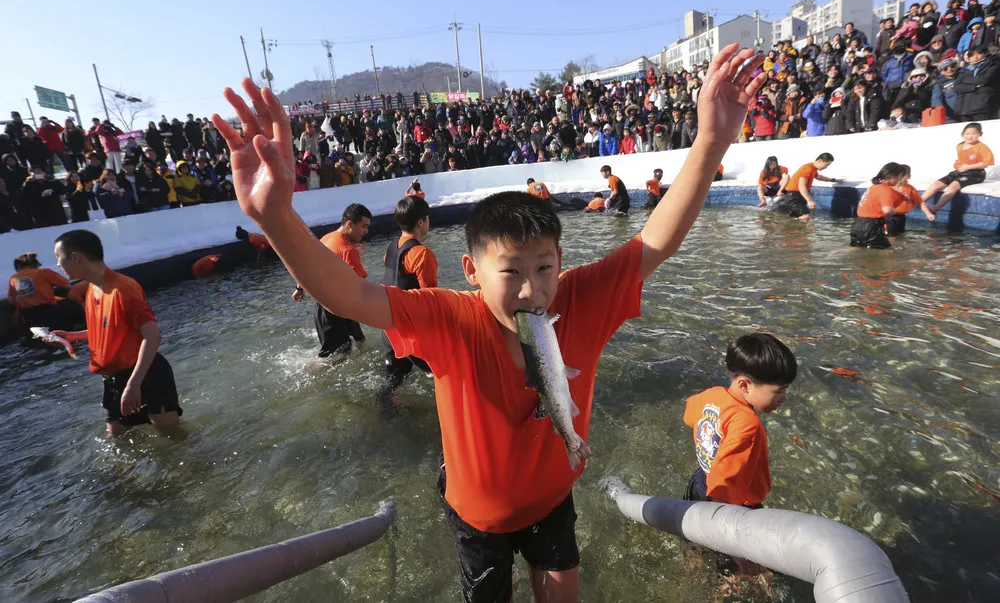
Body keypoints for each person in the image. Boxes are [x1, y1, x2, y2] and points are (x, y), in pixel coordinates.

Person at [212, 43, 767, 602]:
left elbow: (656, 240)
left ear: (561, 261)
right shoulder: (449, 316)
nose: (533, 288)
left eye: (545, 267)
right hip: (476, 518)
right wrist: (275, 216)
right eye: (512, 272)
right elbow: (349, 295)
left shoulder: (580, 300)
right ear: (472, 271)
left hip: (553, 502)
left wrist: (710, 141)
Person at [682, 333, 797, 575]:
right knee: (752, 572)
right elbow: (723, 493)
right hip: (733, 502)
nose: (784, 398)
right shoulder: (748, 425)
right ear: (745, 384)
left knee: (697, 550)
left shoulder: (711, 395)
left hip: (700, 481)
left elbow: (689, 414)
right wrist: (737, 550)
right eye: (779, 391)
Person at [50, 230, 182, 437]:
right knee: (118, 437)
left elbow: (152, 335)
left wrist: (134, 383)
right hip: (113, 376)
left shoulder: (123, 289)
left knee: (172, 436)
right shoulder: (93, 288)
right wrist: (72, 336)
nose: (58, 264)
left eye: (58, 257)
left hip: (144, 373)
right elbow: (106, 328)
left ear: (76, 257)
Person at [291, 204, 371, 358]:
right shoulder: (348, 251)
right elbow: (361, 286)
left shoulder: (326, 238)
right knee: (335, 358)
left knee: (357, 342)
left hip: (329, 307)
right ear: (349, 224)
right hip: (333, 311)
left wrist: (299, 288)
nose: (366, 231)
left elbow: (308, 264)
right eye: (363, 226)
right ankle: (312, 377)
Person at [380, 196, 436, 400]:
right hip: (411, 332)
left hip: (388, 329)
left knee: (394, 380)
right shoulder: (422, 254)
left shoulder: (391, 247)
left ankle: (387, 406)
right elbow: (430, 297)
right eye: (428, 219)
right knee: (441, 374)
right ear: (421, 222)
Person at [922, 123, 994, 214]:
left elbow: (986, 163)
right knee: (937, 184)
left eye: (974, 133)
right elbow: (963, 158)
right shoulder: (959, 146)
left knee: (953, 186)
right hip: (961, 171)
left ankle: (935, 208)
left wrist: (969, 167)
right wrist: (958, 164)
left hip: (976, 173)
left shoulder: (982, 147)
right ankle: (917, 201)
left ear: (980, 134)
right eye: (967, 134)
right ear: (962, 135)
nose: (970, 136)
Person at [8, 252, 81, 331]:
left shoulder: (13, 278)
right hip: (49, 311)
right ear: (35, 263)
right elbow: (67, 285)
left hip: (29, 317)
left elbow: (12, 300)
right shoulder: (43, 272)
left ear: (18, 266)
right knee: (72, 303)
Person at [850, 163, 909, 249]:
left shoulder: (874, 187)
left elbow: (893, 195)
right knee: (887, 251)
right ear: (892, 176)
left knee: (856, 248)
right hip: (872, 226)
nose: (900, 181)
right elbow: (887, 210)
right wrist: (895, 211)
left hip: (858, 224)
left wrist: (903, 197)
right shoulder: (885, 190)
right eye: (900, 177)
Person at [775, 153, 842, 220]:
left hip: (797, 196)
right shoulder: (807, 168)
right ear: (820, 161)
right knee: (806, 217)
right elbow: (801, 185)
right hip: (793, 196)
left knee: (803, 217)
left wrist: (834, 180)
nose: (826, 167)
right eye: (826, 165)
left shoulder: (813, 169)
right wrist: (809, 200)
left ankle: (791, 228)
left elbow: (819, 177)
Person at [887, 164, 935, 235]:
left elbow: (920, 202)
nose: (901, 178)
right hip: (889, 217)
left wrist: (928, 213)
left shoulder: (910, 189)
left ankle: (898, 246)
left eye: (903, 176)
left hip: (902, 217)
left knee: (900, 235)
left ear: (909, 176)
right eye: (899, 175)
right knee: (891, 236)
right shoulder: (889, 188)